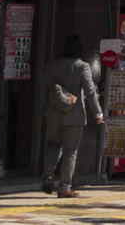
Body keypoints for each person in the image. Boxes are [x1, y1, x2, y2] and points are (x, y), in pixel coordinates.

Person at [40, 36, 103, 199]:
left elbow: (45, 87)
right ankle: (64, 187)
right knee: (70, 151)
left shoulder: (53, 65)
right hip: (74, 116)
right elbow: (90, 92)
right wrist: (97, 112)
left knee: (52, 146)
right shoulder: (82, 66)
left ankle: (47, 178)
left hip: (54, 113)